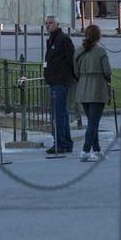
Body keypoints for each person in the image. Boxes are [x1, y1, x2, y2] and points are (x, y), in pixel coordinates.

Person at [74, 24, 112, 161]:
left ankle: (97, 150)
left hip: (83, 88)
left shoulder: (78, 51)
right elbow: (107, 71)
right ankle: (85, 150)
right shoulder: (100, 52)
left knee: (92, 121)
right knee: (93, 122)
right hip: (97, 88)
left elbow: (76, 72)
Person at [44, 15, 75, 154]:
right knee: (62, 113)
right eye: (46, 23)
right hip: (54, 81)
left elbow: (71, 60)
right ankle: (66, 142)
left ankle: (60, 143)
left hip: (60, 81)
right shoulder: (51, 39)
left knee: (59, 115)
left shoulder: (63, 40)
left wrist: (68, 77)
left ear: (57, 24)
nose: (48, 25)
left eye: (50, 23)